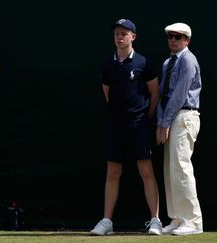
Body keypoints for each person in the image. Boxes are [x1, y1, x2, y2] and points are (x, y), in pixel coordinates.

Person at [90, 19, 162, 235]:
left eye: (124, 33)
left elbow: (154, 94)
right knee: (112, 172)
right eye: (117, 34)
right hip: (115, 126)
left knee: (146, 170)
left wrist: (144, 117)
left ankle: (156, 220)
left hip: (138, 125)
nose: (119, 37)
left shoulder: (144, 63)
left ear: (133, 37)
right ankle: (107, 222)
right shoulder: (108, 66)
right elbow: (108, 94)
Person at [156, 23, 202, 235]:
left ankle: (193, 222)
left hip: (184, 115)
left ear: (187, 40)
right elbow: (162, 94)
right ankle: (176, 218)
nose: (173, 40)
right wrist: (161, 121)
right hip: (170, 117)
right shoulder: (168, 63)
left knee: (182, 167)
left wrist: (165, 122)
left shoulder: (188, 60)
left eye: (178, 37)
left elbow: (180, 94)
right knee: (170, 169)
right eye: (170, 36)